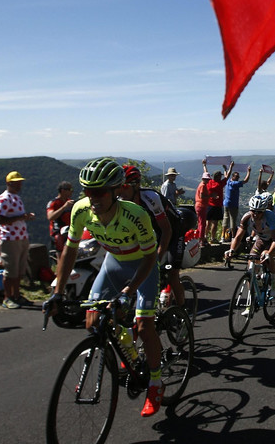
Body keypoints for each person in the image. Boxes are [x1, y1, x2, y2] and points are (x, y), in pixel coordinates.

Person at [44, 158, 166, 417]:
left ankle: (155, 382)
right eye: (88, 191)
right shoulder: (81, 210)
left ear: (116, 190)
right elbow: (69, 251)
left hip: (143, 268)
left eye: (99, 191)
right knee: (92, 322)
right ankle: (129, 350)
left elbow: (150, 257)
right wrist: (57, 293)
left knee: (145, 326)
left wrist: (129, 291)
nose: (93, 198)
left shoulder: (137, 215)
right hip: (113, 266)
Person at [118, 164, 184, 308]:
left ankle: (182, 313)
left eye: (125, 187)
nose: (120, 192)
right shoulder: (120, 202)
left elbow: (166, 230)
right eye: (118, 187)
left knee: (173, 275)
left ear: (136, 186)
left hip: (174, 230)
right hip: (153, 232)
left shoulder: (150, 197)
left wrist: (157, 259)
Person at [0, 171, 36, 309]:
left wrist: (25, 217)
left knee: (19, 270)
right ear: (9, 183)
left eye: (20, 182)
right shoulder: (3, 199)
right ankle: (8, 297)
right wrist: (20, 218)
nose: (19, 185)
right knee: (10, 270)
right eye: (16, 182)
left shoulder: (16, 197)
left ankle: (17, 295)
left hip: (21, 237)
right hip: (10, 238)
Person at [224, 193, 275, 281]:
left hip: (274, 239)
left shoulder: (270, 216)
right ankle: (252, 291)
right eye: (253, 211)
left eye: (259, 212)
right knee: (251, 266)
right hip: (261, 239)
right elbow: (238, 237)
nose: (255, 214)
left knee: (267, 258)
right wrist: (231, 250)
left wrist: (269, 253)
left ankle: (274, 279)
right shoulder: (246, 218)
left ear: (263, 211)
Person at [222, 164, 252, 242]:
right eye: (237, 177)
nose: (238, 178)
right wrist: (248, 172)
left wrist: (225, 169)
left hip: (226, 204)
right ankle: (232, 237)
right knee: (233, 221)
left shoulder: (228, 181)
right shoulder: (235, 184)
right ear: (233, 177)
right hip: (233, 205)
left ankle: (222, 237)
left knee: (225, 219)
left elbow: (226, 175)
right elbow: (246, 180)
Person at [203, 159, 230, 242]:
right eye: (220, 176)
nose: (221, 177)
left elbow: (206, 172)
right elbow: (227, 177)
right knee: (214, 223)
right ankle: (213, 238)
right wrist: (228, 168)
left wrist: (204, 165)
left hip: (209, 205)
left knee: (208, 222)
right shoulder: (219, 184)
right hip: (217, 206)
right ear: (218, 177)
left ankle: (205, 237)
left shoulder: (209, 182)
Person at [45, 181, 75, 253]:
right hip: (58, 232)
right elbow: (50, 217)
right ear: (63, 191)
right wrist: (64, 207)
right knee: (61, 251)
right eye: (70, 190)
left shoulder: (70, 202)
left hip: (70, 230)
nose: (72, 192)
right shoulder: (53, 203)